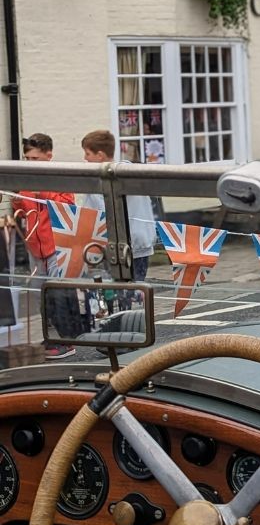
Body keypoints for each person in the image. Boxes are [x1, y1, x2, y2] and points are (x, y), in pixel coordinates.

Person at [14, 133, 77, 359]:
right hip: (35, 246)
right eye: (27, 159)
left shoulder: (60, 176)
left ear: (48, 156)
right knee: (42, 295)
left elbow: (68, 206)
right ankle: (50, 337)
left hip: (57, 244)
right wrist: (18, 201)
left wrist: (43, 192)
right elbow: (26, 204)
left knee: (58, 294)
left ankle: (66, 341)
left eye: (34, 159)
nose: (29, 163)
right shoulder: (27, 180)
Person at [79, 130, 157, 283]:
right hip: (140, 243)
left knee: (117, 295)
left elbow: (100, 213)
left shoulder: (101, 183)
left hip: (117, 248)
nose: (84, 158)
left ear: (100, 155)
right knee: (136, 292)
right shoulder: (132, 172)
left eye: (87, 153)